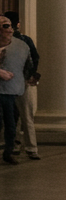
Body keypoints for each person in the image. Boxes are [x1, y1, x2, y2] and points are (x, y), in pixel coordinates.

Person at [3, 11, 40, 160]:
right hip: (20, 82)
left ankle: (15, 145)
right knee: (25, 115)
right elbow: (33, 59)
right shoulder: (25, 40)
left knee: (14, 116)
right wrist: (30, 75)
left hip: (10, 83)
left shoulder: (21, 42)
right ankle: (30, 148)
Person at [0, 15, 30, 165]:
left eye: (10, 26)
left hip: (11, 91)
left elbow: (29, 64)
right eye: (6, 26)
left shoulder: (21, 46)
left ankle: (8, 151)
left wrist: (28, 77)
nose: (10, 30)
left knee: (11, 124)